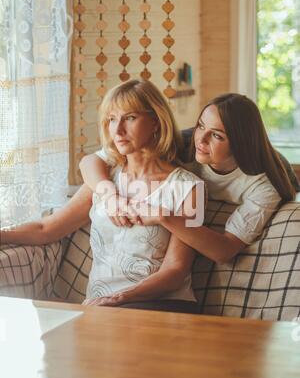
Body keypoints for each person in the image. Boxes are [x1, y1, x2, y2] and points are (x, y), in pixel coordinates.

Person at [0, 79, 204, 312]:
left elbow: (175, 272)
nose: (117, 130)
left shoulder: (189, 187)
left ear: (156, 122)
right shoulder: (105, 179)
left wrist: (119, 298)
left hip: (161, 306)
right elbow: (46, 229)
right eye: (111, 119)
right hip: (102, 310)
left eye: (130, 118)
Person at [80, 92, 298, 265]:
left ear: (240, 142)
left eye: (216, 135)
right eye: (201, 125)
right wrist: (109, 195)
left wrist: (163, 216)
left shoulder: (263, 185)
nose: (201, 139)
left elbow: (224, 250)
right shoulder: (184, 144)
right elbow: (91, 161)